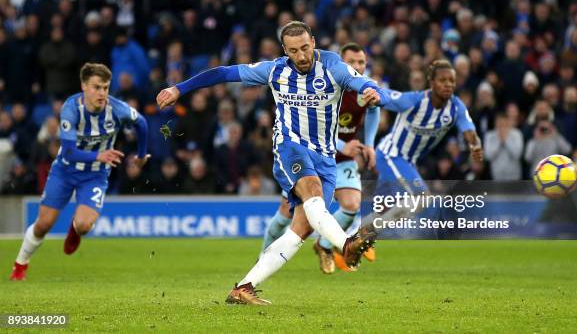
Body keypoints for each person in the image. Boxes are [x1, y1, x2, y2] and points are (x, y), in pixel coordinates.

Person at [156, 21, 389, 305]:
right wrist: (180, 88)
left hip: (326, 158)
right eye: (294, 51)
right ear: (284, 51)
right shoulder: (275, 70)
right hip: (289, 147)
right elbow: (224, 73)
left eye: (305, 47)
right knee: (312, 193)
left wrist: (371, 91)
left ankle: (243, 288)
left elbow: (362, 82)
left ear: (313, 42)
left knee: (300, 230)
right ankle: (346, 246)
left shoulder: (332, 65)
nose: (301, 56)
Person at [10, 63, 149, 281]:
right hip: (65, 171)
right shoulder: (71, 109)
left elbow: (141, 122)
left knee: (84, 225)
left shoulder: (117, 108)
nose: (102, 93)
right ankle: (20, 264)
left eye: (105, 87)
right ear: (84, 86)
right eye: (96, 87)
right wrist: (99, 155)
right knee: (43, 224)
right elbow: (69, 151)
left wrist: (141, 155)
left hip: (95, 175)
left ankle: (75, 229)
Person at [259, 42, 380, 274]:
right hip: (310, 157)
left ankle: (325, 246)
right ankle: (262, 257)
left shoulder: (363, 91)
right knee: (286, 214)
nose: (357, 66)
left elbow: (375, 109)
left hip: (341, 160)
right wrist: (345, 144)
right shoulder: (326, 85)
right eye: (351, 62)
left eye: (361, 62)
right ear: (339, 63)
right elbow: (310, 131)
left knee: (352, 205)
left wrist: (370, 145)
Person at [359, 59, 483, 236]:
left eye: (451, 81)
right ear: (431, 82)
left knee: (385, 209)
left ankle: (350, 238)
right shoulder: (414, 101)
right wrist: (372, 93)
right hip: (390, 155)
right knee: (422, 198)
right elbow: (387, 96)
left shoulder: (456, 107)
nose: (448, 85)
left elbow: (469, 130)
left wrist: (475, 144)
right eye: (442, 80)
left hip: (407, 161)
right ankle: (368, 232)